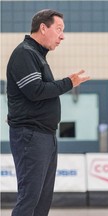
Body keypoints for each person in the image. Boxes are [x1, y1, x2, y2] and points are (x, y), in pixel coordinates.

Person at [6, 9, 90, 216]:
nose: (62, 36)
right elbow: (36, 91)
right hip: (30, 135)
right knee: (30, 199)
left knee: (42, 201)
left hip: (44, 135)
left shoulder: (37, 56)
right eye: (59, 29)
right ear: (43, 28)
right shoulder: (25, 53)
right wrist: (69, 82)